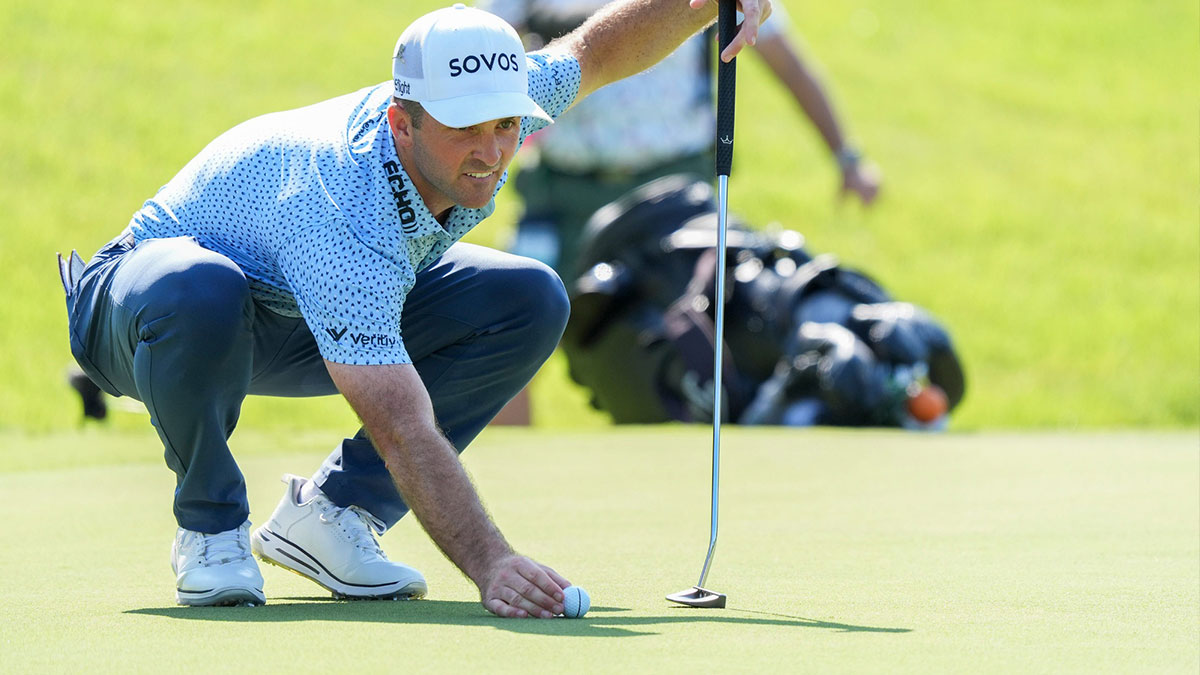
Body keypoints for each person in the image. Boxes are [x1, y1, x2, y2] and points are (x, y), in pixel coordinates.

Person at [58, 0, 769, 617]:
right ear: (403, 123)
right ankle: (209, 524)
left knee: (527, 297)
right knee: (199, 284)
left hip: (286, 317)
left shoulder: (491, 119)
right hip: (140, 314)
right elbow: (400, 424)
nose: (492, 152)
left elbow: (593, 51)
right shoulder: (341, 203)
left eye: (505, 126)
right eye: (466, 130)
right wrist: (492, 562)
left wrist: (705, 5)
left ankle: (333, 517)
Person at [479, 0, 882, 278]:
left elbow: (787, 64)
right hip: (563, 191)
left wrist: (846, 158)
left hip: (676, 190)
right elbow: (487, 69)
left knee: (698, 339)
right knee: (501, 326)